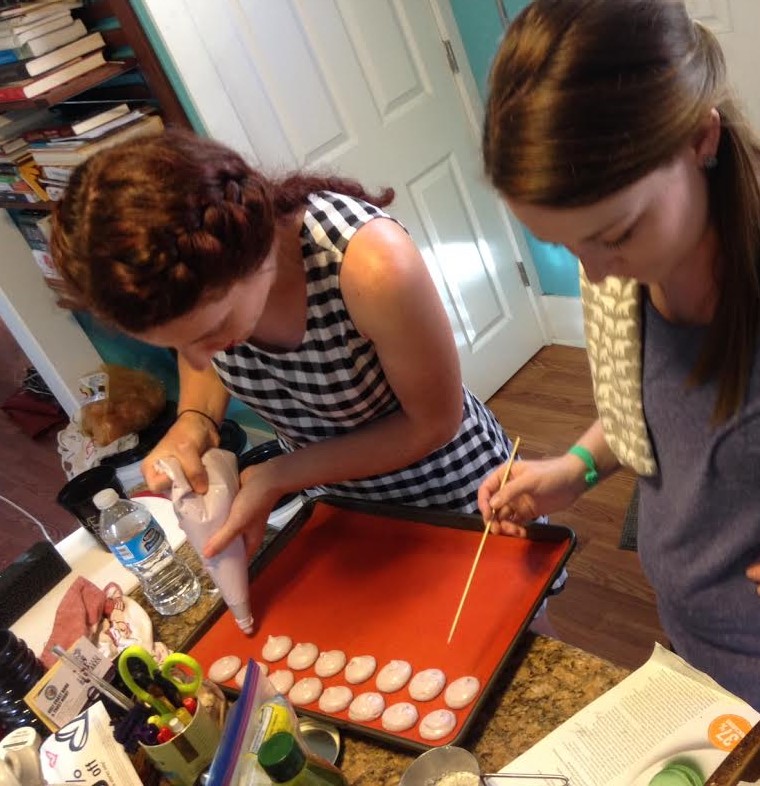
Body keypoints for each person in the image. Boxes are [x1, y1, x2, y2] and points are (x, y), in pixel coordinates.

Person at [50, 129, 534, 573]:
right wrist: (194, 419)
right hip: (339, 502)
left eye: (214, 331)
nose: (197, 359)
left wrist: (279, 474)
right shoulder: (201, 300)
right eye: (178, 343)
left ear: (253, 252)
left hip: (449, 492)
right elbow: (203, 355)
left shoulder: (370, 265)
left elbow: (433, 423)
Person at [477, 0, 760, 706]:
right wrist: (574, 468)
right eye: (564, 245)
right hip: (697, 640)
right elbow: (649, 408)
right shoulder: (618, 272)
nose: (595, 273)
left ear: (701, 138)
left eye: (615, 235)